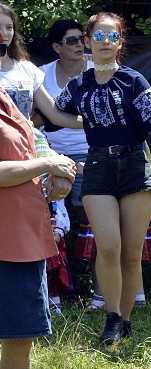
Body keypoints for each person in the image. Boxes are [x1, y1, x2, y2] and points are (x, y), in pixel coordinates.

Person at [55, 12, 151, 345]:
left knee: (130, 252)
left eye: (112, 37)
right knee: (108, 247)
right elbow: (51, 114)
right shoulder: (78, 84)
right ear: (87, 41)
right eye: (98, 36)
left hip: (134, 166)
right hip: (97, 165)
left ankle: (125, 320)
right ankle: (112, 317)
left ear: (120, 43)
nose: (105, 43)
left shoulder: (133, 80)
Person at [0, 85, 76, 369]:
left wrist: (54, 163)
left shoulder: (7, 95)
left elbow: (35, 137)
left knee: (19, 340)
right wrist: (46, 167)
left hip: (21, 239)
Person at [38, 19, 94, 302]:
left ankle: (96, 290)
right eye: (71, 41)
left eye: (82, 39)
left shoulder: (99, 71)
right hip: (49, 154)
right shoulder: (40, 74)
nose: (80, 45)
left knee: (91, 220)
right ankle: (60, 289)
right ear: (56, 47)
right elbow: (36, 118)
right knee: (54, 224)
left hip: (91, 152)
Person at [0, 4, 81, 128]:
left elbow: (55, 116)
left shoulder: (27, 69)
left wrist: (97, 123)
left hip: (22, 144)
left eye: (9, 27)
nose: (4, 33)